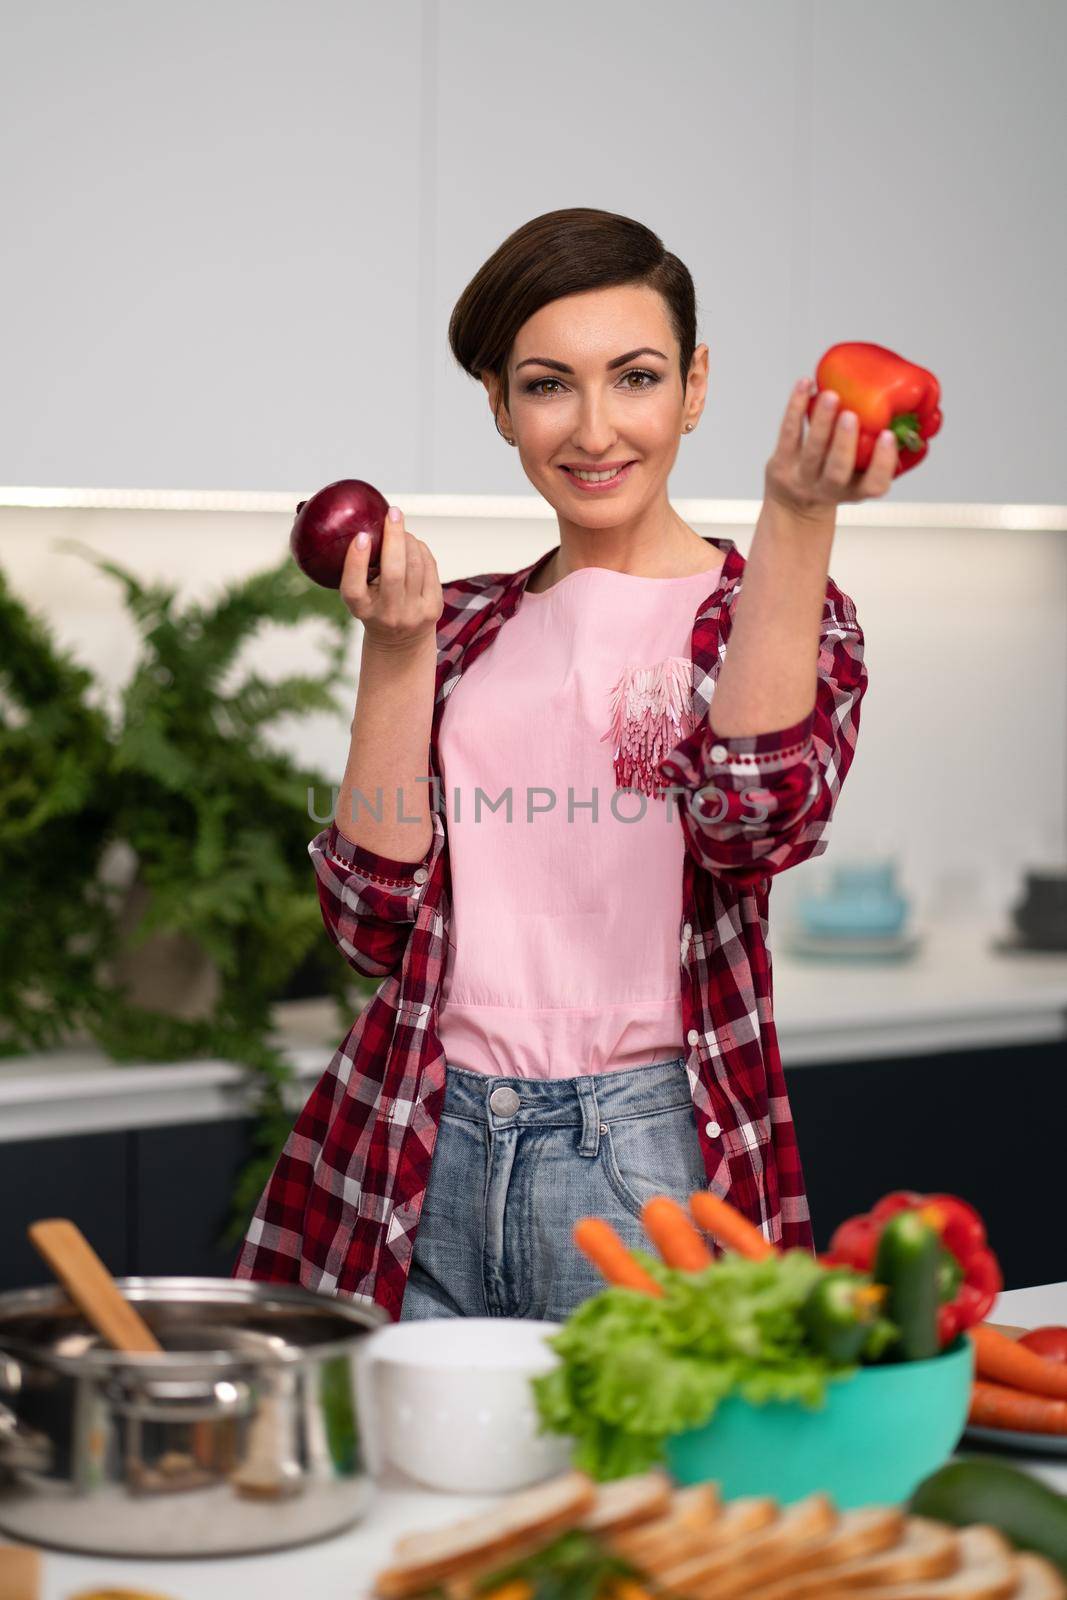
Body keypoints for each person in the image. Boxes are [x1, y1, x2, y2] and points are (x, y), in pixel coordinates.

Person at [234, 207, 892, 1325]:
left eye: (633, 378)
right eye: (547, 386)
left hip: (643, 1167)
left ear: (692, 387)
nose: (593, 429)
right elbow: (369, 925)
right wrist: (396, 650)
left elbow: (752, 822)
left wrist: (794, 515)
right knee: (406, 1496)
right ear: (499, 404)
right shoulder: (464, 626)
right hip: (418, 1143)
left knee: (637, 1494)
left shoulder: (775, 620)